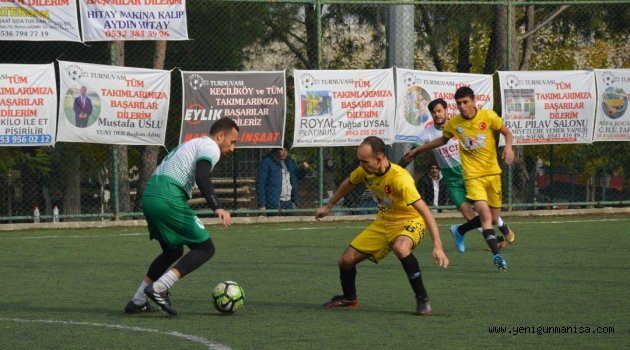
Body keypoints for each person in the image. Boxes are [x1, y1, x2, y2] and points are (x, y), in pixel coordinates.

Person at [315, 136, 449, 316]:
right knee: (345, 261)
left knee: (401, 248)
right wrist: (329, 206)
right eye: (359, 161)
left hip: (409, 221)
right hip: (383, 222)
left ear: (379, 159)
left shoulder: (401, 179)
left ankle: (422, 299)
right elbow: (348, 183)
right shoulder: (365, 171)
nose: (361, 165)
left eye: (364, 161)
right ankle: (349, 297)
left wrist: (438, 247)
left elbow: (426, 213)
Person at [124, 118, 239, 316]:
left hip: (150, 195)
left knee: (172, 250)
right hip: (168, 196)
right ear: (220, 136)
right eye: (233, 141)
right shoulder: (211, 146)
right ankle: (159, 288)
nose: (233, 147)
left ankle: (138, 300)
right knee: (205, 248)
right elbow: (202, 176)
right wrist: (217, 207)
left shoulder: (192, 143)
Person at [401, 88, 514, 270]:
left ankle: (464, 229)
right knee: (475, 215)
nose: (437, 115)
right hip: (464, 178)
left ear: (446, 111)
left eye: (439, 111)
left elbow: (506, 132)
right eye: (434, 112)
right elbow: (439, 142)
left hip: (483, 173)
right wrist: (414, 153)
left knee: (490, 216)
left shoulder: (483, 117)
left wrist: (508, 147)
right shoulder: (444, 128)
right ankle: (496, 252)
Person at [256, 143, 309, 213]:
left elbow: (296, 176)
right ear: (276, 150)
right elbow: (260, 184)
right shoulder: (267, 162)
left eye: (286, 150)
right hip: (274, 202)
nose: (284, 152)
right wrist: (262, 204)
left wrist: (303, 169)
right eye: (281, 149)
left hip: (289, 202)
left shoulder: (290, 162)